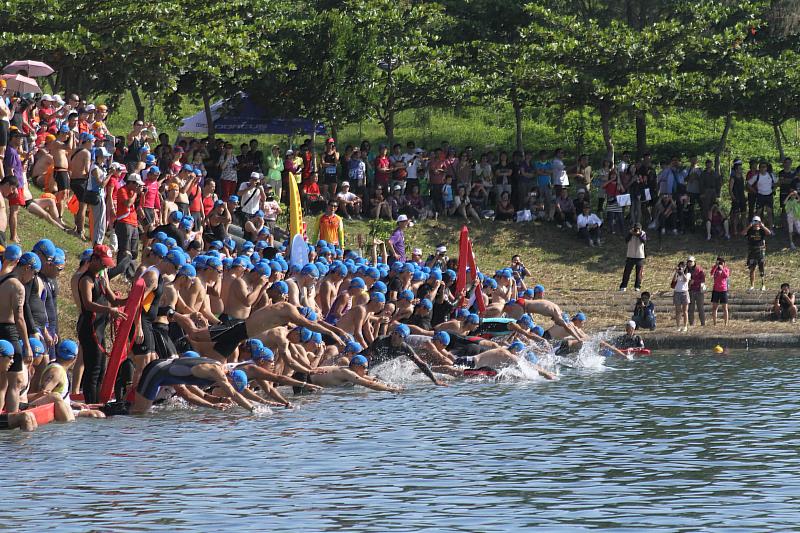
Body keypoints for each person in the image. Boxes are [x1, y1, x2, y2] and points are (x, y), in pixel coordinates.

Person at [132, 356, 255, 414]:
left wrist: (213, 405)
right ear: (231, 381)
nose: (228, 390)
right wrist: (253, 410)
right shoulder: (216, 372)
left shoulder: (218, 368)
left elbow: (189, 391)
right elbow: (233, 394)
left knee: (144, 412)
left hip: (166, 372)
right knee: (140, 412)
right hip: (157, 371)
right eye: (232, 387)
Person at [363, 324, 447, 386]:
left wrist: (435, 380)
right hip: (363, 363)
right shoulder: (381, 341)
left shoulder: (404, 348)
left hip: (375, 368)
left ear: (404, 339)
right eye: (395, 333)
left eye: (400, 336)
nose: (396, 337)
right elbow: (367, 355)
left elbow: (420, 363)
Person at [303, 355, 403, 392]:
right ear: (356, 366)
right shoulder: (347, 373)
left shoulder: (351, 370)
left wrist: (390, 384)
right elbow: (369, 384)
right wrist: (390, 390)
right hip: (304, 379)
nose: (366, 370)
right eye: (364, 367)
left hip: (311, 383)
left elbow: (371, 379)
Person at [741, 216, 772, 291]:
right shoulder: (750, 230)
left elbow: (769, 233)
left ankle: (763, 284)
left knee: (761, 268)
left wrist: (763, 226)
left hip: (760, 251)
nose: (756, 223)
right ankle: (752, 285)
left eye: (757, 221)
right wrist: (749, 226)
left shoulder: (762, 230)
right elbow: (742, 233)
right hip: (752, 251)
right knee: (752, 268)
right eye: (755, 221)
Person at [747, 161, 776, 228]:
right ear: (759, 168)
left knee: (769, 212)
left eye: (764, 167)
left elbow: (778, 182)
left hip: (769, 195)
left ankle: (771, 229)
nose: (763, 168)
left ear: (766, 168)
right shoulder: (756, 176)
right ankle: (755, 228)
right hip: (760, 196)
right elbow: (748, 185)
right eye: (761, 167)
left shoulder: (771, 175)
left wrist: (773, 189)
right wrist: (754, 191)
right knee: (758, 213)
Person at [619, 223, 647, 292]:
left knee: (639, 273)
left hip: (640, 256)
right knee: (627, 272)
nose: (636, 230)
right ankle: (623, 286)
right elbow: (626, 240)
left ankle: (637, 286)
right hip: (630, 255)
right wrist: (631, 234)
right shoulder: (630, 233)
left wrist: (639, 235)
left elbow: (644, 241)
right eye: (635, 228)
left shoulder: (643, 233)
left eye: (638, 229)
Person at [671, 261, 691, 332]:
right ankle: (678, 326)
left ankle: (685, 326)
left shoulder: (688, 274)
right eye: (680, 266)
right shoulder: (676, 273)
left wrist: (682, 273)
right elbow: (673, 281)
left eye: (683, 266)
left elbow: (685, 280)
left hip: (684, 293)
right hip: (677, 293)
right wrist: (676, 272)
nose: (681, 267)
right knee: (678, 311)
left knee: (685, 311)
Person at [710, 257, 730, 326]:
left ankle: (726, 323)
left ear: (724, 263)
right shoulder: (715, 268)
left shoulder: (726, 269)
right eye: (719, 262)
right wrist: (715, 266)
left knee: (725, 308)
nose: (720, 264)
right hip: (716, 290)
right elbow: (711, 273)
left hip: (723, 290)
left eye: (722, 262)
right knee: (714, 307)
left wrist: (722, 269)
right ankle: (714, 323)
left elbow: (726, 276)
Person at [685, 256, 705, 327]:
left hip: (699, 291)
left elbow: (703, 280)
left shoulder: (699, 269)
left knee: (700, 308)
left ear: (694, 262)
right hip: (690, 291)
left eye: (691, 261)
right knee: (691, 308)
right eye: (688, 262)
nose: (690, 263)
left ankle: (703, 323)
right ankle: (691, 323)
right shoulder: (685, 270)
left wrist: (694, 281)